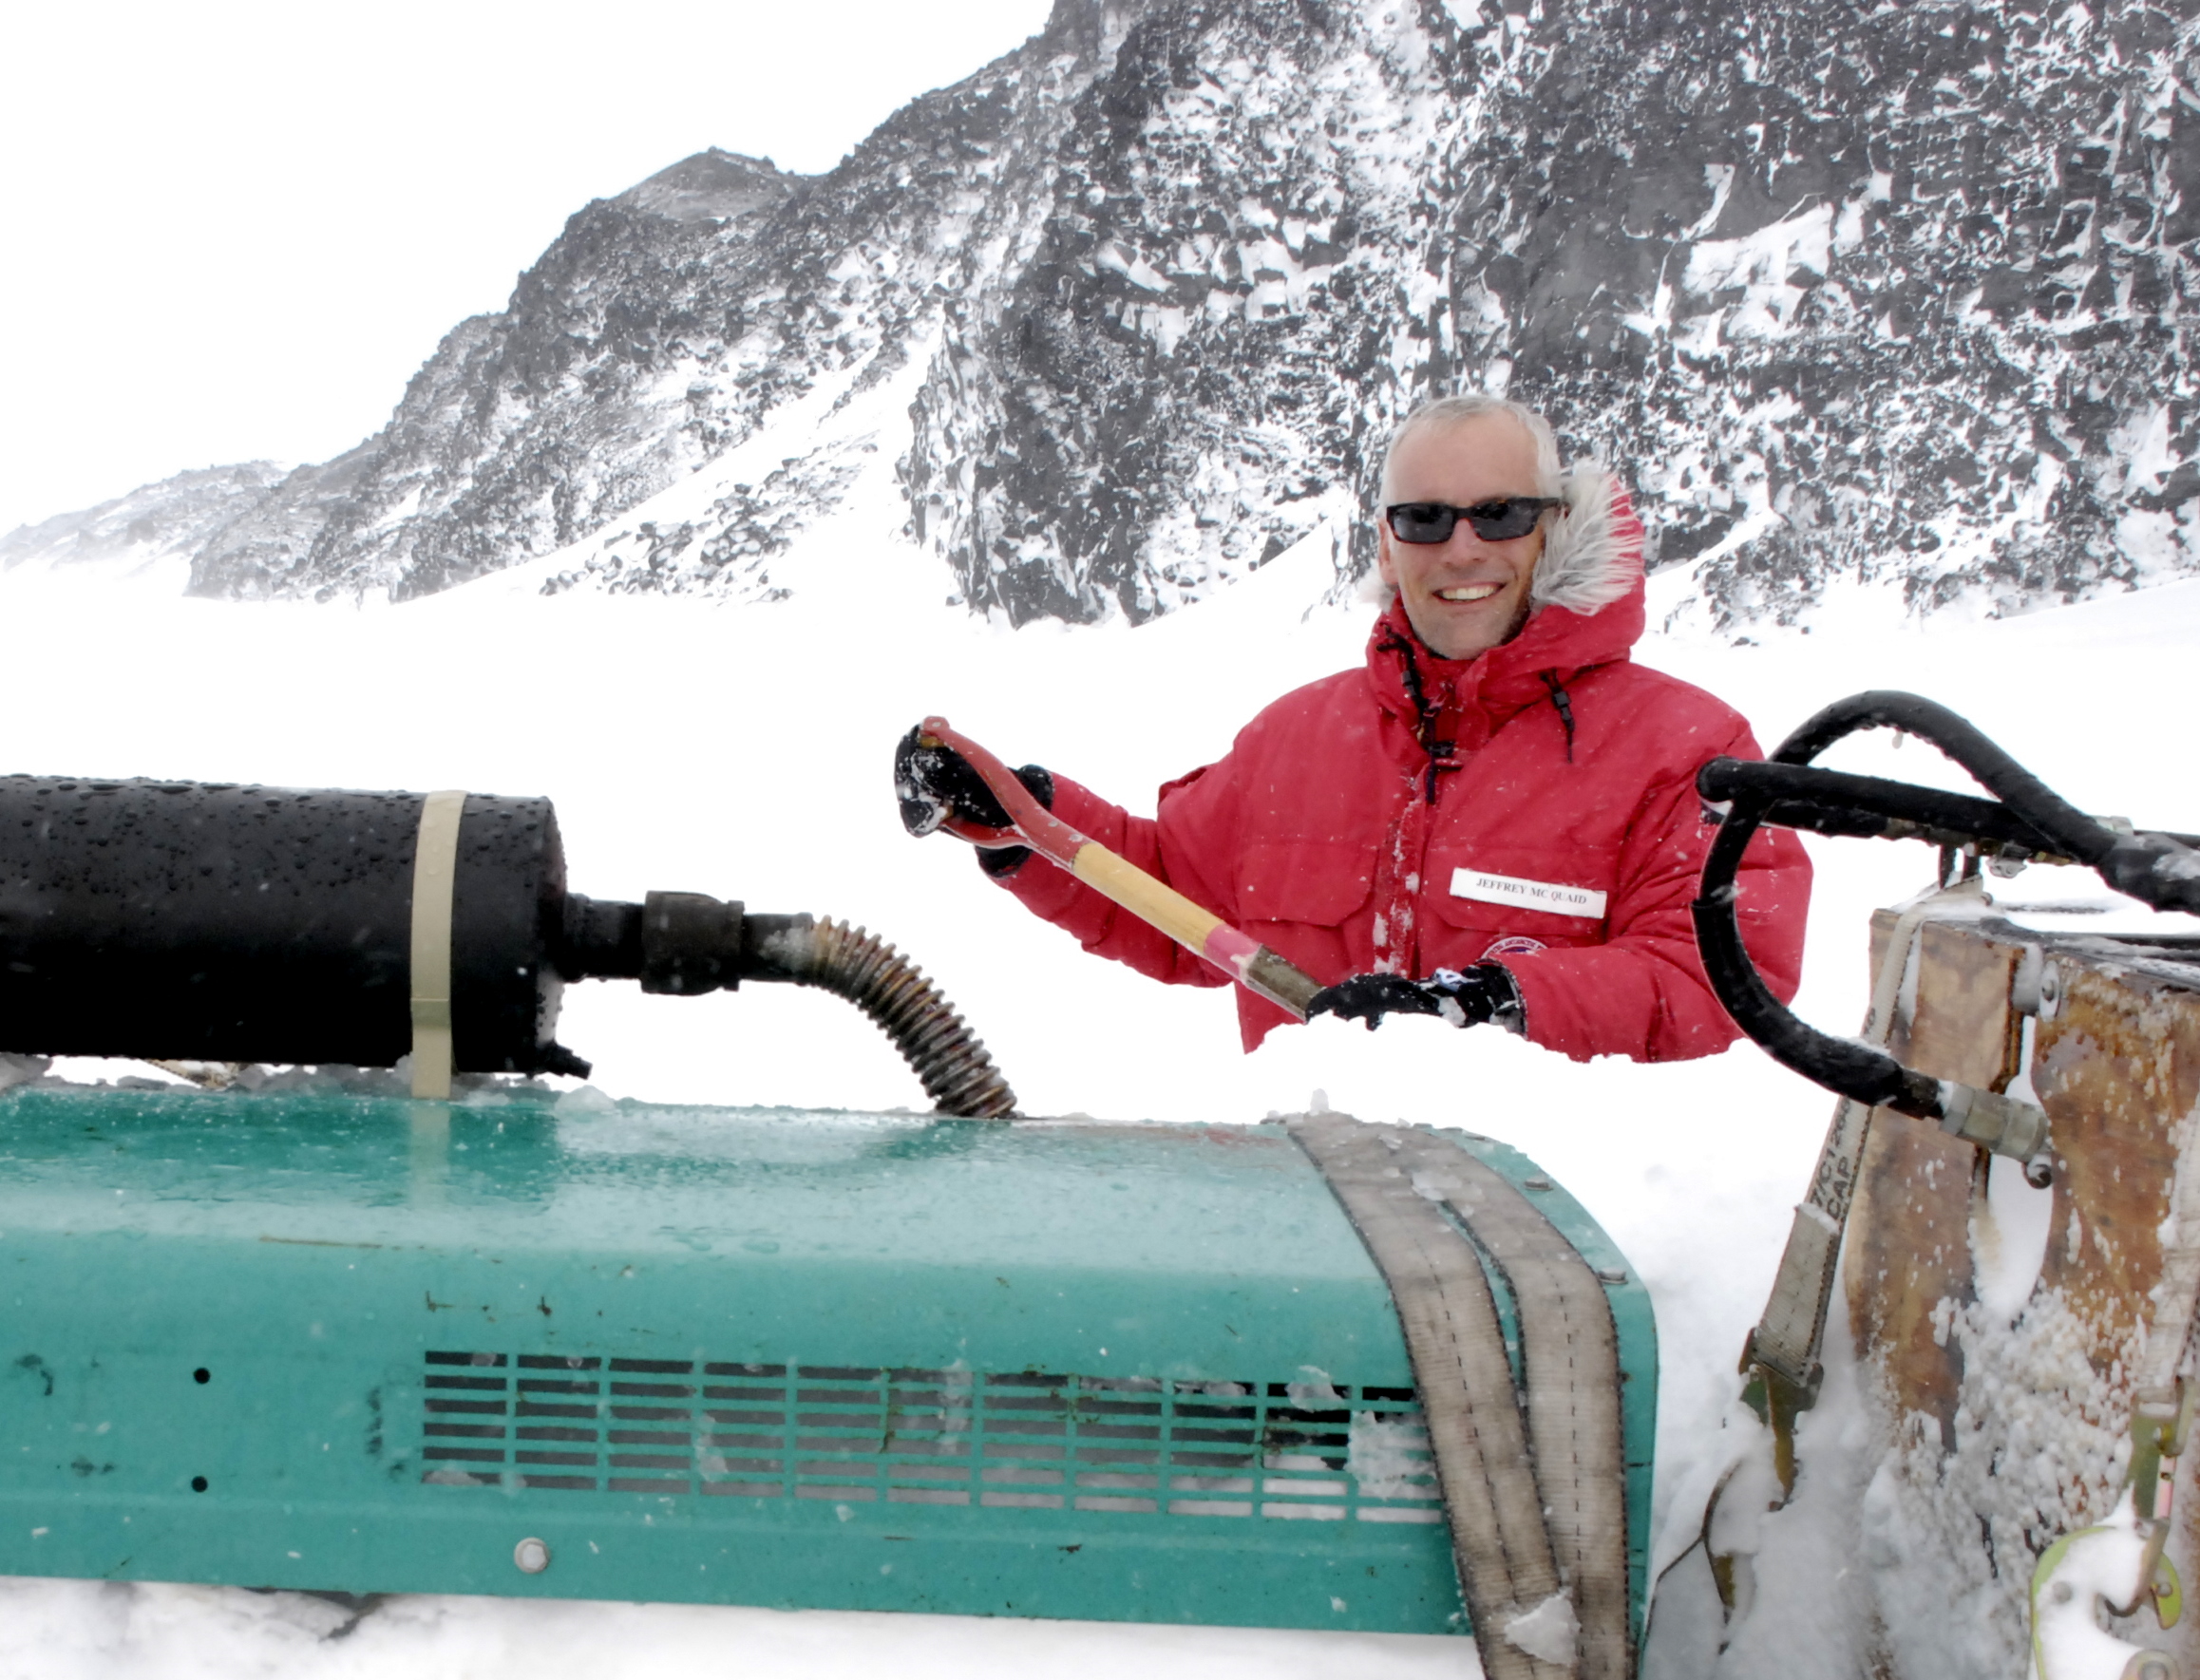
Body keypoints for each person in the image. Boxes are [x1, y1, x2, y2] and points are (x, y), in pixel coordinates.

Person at [895, 395, 1810, 1062]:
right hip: (1317, 1229)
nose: (1461, 548)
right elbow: (1174, 895)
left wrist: (1489, 1004)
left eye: (1499, 513)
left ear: (1555, 530)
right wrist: (1021, 816)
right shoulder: (1298, 738)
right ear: (1384, 543)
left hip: (1550, 1248)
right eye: (1424, 518)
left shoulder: (1685, 748)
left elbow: (1717, 981)